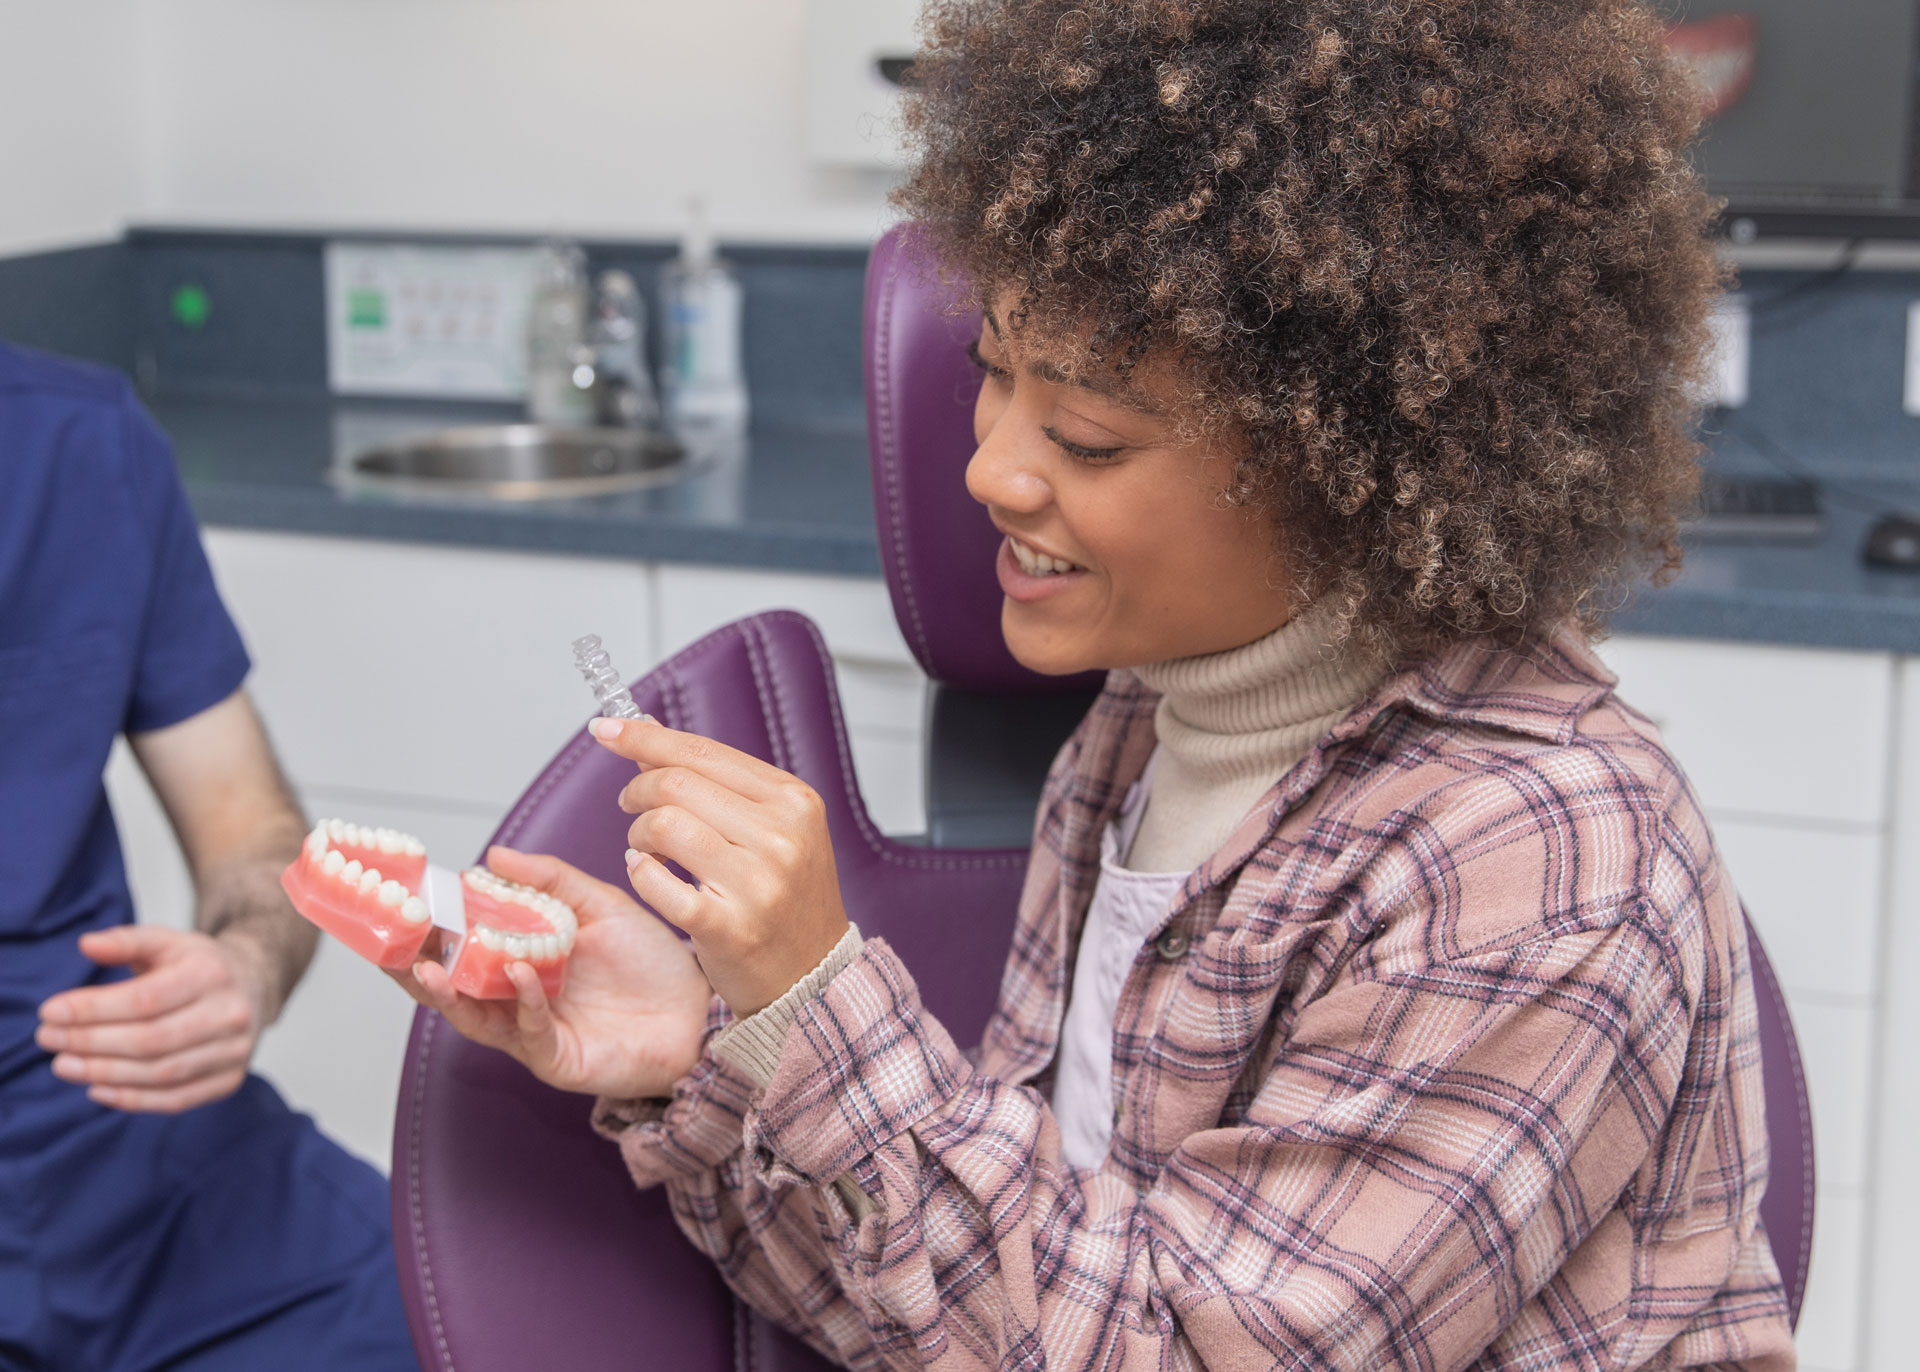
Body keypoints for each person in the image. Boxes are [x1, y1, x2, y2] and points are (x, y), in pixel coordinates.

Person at [403, 0, 1796, 1366]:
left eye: (1085, 434)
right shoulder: (1141, 732)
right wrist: (701, 1055)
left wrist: (818, 1004)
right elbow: (977, 1311)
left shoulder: (1543, 857)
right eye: (992, 377)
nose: (993, 471)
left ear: (1340, 475)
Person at [1, 339, 418, 1371]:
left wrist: (244, 967)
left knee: (471, 1322)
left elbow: (251, 835)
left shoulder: (79, 440)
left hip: (126, 1145)